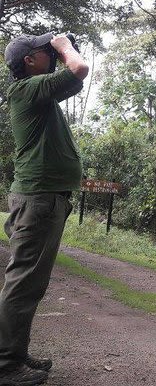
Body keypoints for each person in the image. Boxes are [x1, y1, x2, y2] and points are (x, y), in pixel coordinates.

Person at [0, 33, 89, 385]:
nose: (50, 54)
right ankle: (6, 364)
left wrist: (61, 50)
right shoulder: (27, 89)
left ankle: (14, 353)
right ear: (29, 62)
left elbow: (72, 80)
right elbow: (78, 68)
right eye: (44, 52)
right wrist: (63, 45)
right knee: (23, 283)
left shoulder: (37, 91)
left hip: (44, 199)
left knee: (29, 283)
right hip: (38, 199)